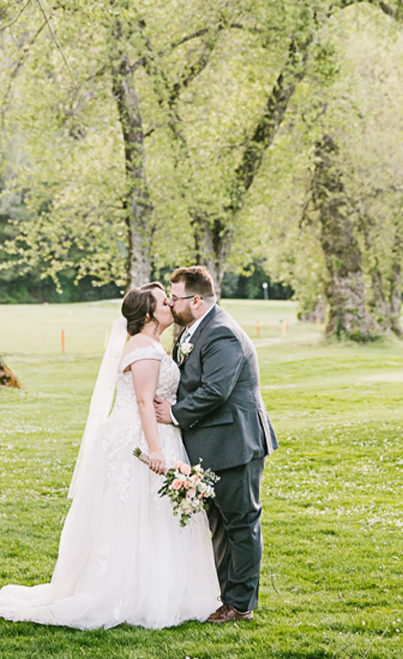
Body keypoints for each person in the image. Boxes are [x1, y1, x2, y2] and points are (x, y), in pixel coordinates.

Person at [0, 282, 221, 629]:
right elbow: (142, 402)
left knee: (151, 516)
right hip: (140, 439)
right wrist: (155, 449)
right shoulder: (143, 348)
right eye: (162, 302)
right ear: (149, 314)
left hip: (151, 433)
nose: (170, 304)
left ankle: (158, 586)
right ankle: (132, 591)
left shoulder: (153, 344)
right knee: (137, 512)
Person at [155, 265, 277, 623]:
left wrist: (173, 414)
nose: (170, 304)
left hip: (235, 442)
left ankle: (240, 606)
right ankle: (224, 595)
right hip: (213, 442)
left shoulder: (221, 333)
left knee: (240, 523)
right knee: (219, 524)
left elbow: (215, 390)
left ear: (195, 300)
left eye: (174, 298)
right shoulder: (191, 330)